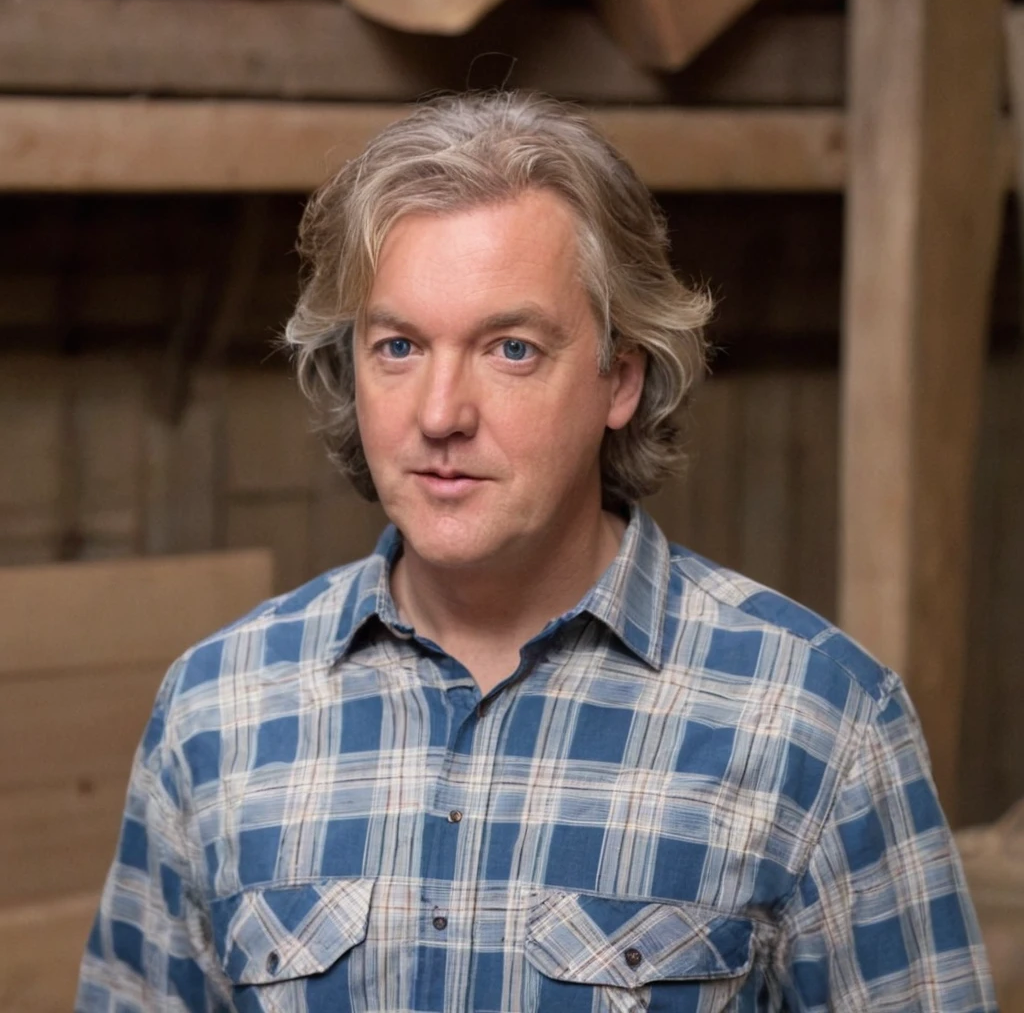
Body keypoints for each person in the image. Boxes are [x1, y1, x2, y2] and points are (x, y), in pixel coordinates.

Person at [77, 92, 995, 1012]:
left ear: (620, 379)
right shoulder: (218, 711)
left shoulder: (818, 721)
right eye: (398, 345)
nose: (440, 414)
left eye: (510, 349)